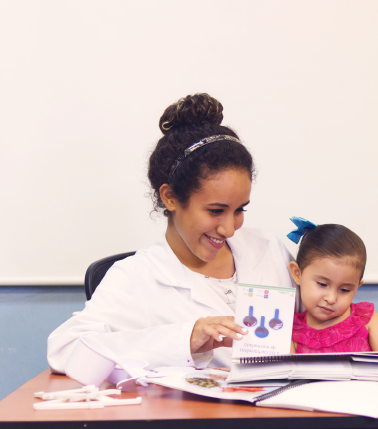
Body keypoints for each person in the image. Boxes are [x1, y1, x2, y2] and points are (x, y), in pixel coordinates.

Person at [48, 93, 296, 383]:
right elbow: (66, 349)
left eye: (239, 210)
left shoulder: (269, 251)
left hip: (283, 415)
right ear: (171, 197)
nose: (229, 229)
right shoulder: (136, 278)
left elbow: (325, 318)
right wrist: (183, 340)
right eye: (216, 211)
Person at [286, 218, 378, 353]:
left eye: (344, 290)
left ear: (357, 287)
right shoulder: (289, 331)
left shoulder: (369, 322)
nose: (331, 299)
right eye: (322, 284)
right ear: (297, 274)